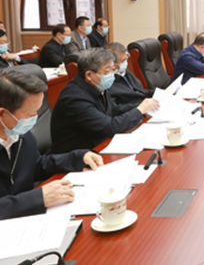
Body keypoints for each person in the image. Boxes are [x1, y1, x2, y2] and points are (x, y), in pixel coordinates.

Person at [0, 70, 104, 220]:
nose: (35, 118)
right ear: (2, 113)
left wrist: (78, 158)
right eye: (29, 114)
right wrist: (37, 198)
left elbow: (35, 165)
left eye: (37, 111)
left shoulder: (23, 136)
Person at [51, 48, 159, 153]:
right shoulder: (75, 98)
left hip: (98, 144)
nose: (112, 75)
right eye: (107, 72)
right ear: (89, 75)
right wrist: (139, 110)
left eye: (113, 70)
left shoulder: (96, 85)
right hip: (77, 155)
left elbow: (114, 110)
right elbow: (109, 127)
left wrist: (141, 107)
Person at [105, 42, 154, 110]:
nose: (126, 62)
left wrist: (159, 93)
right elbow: (117, 109)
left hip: (146, 105)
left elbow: (139, 91)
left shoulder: (123, 70)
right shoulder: (107, 82)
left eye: (126, 58)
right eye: (123, 60)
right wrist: (141, 107)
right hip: (135, 111)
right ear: (112, 64)